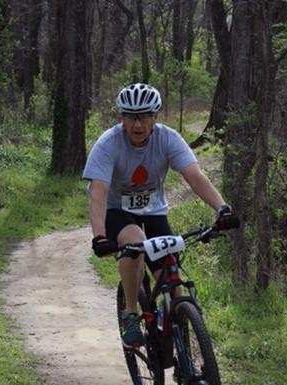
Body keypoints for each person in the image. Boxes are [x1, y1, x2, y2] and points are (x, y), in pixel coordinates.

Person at [82, 82, 235, 348]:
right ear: (122, 118)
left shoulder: (168, 139)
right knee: (135, 241)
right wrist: (99, 237)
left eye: (144, 116)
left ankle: (183, 352)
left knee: (173, 284)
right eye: (130, 116)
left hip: (154, 210)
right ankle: (131, 313)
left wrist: (222, 208)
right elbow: (98, 194)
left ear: (155, 117)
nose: (137, 124)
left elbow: (195, 178)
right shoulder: (108, 144)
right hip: (117, 210)